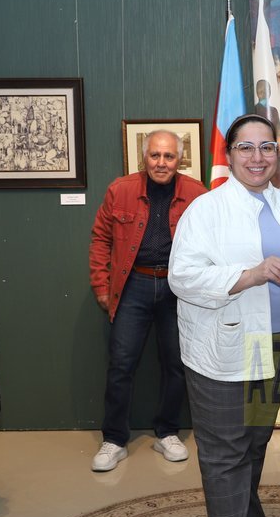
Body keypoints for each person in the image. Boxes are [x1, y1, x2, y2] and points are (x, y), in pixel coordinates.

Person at [168, 114, 280, 517]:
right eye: (246, 147)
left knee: (253, 445)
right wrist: (250, 275)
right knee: (225, 453)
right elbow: (182, 277)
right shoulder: (206, 210)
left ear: (278, 153)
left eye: (266, 147)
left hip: (274, 343)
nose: (257, 157)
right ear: (229, 155)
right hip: (223, 349)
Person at [88, 131, 206, 471]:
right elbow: (100, 239)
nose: (161, 163)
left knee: (176, 364)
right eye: (155, 155)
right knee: (121, 364)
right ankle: (114, 440)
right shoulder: (120, 190)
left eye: (169, 156)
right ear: (145, 157)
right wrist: (101, 285)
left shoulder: (197, 194)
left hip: (178, 288)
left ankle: (167, 433)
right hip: (132, 284)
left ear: (179, 159)